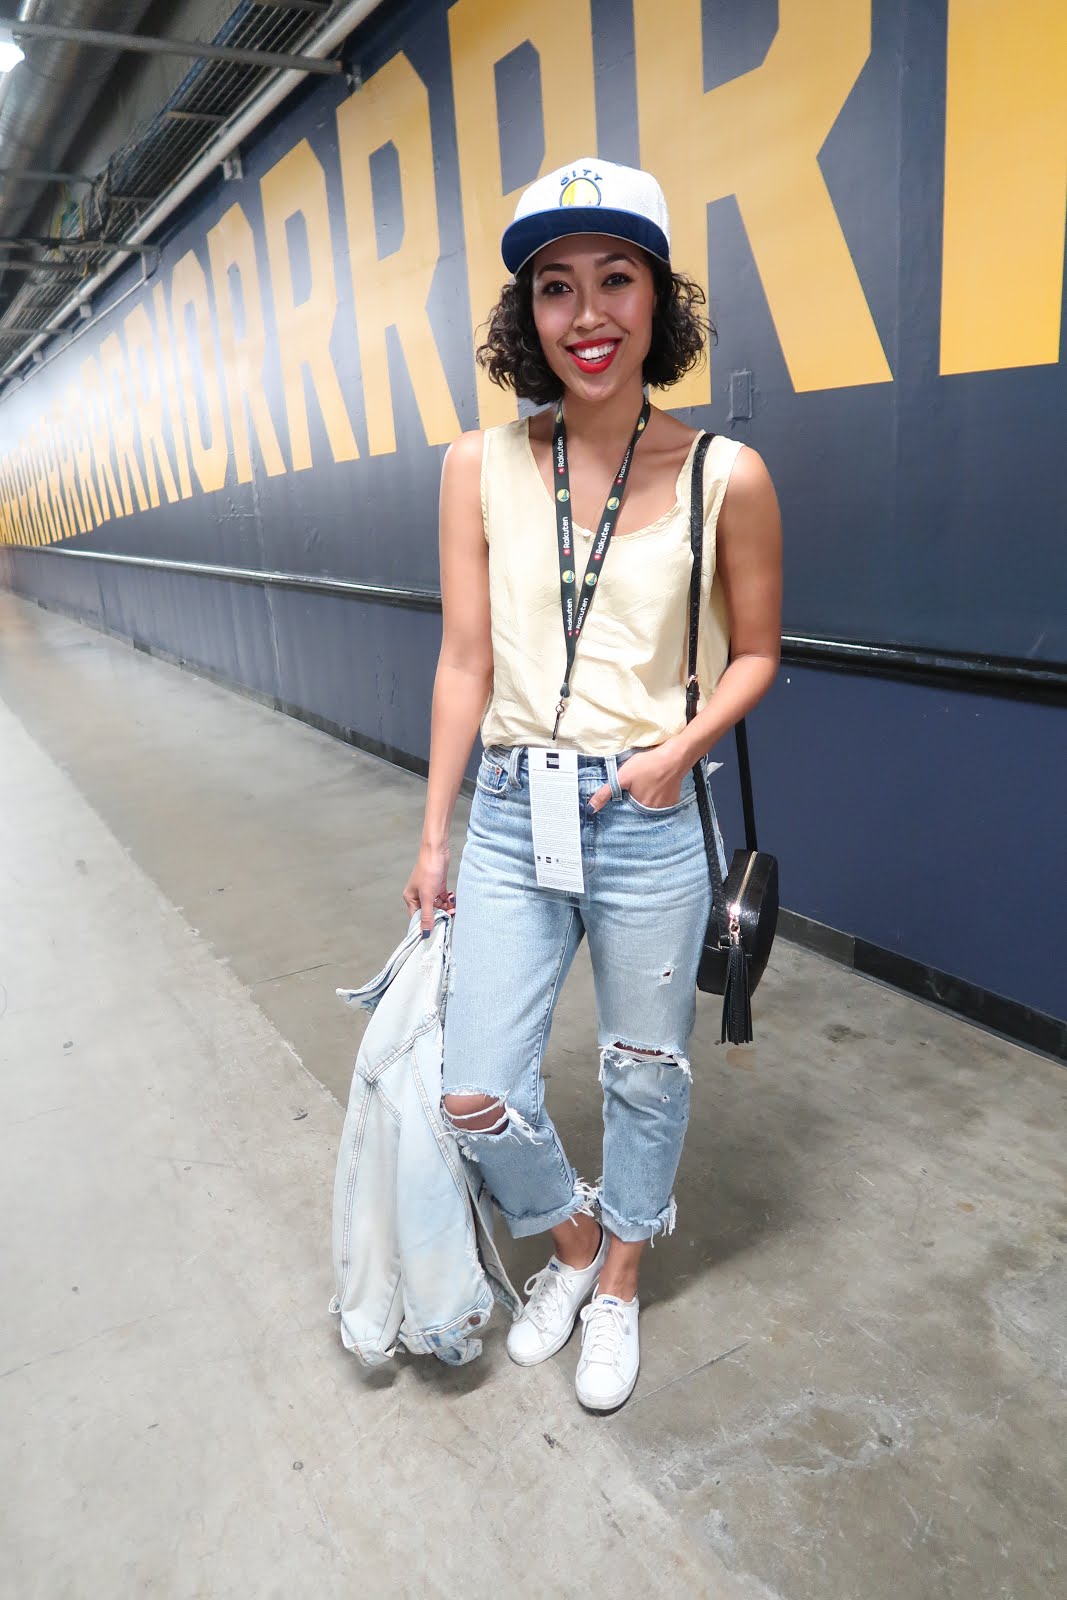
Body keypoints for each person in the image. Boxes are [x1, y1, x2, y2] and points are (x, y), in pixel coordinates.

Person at [403, 158, 782, 1411]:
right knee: (474, 1090)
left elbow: (762, 652)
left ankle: (616, 1281)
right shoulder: (477, 468)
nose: (587, 314)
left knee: (640, 1070)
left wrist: (680, 745)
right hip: (514, 812)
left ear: (656, 299)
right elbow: (464, 660)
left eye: (615, 278)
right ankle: (567, 1244)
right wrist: (435, 835)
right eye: (554, 288)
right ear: (528, 319)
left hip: (647, 812)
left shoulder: (728, 473)